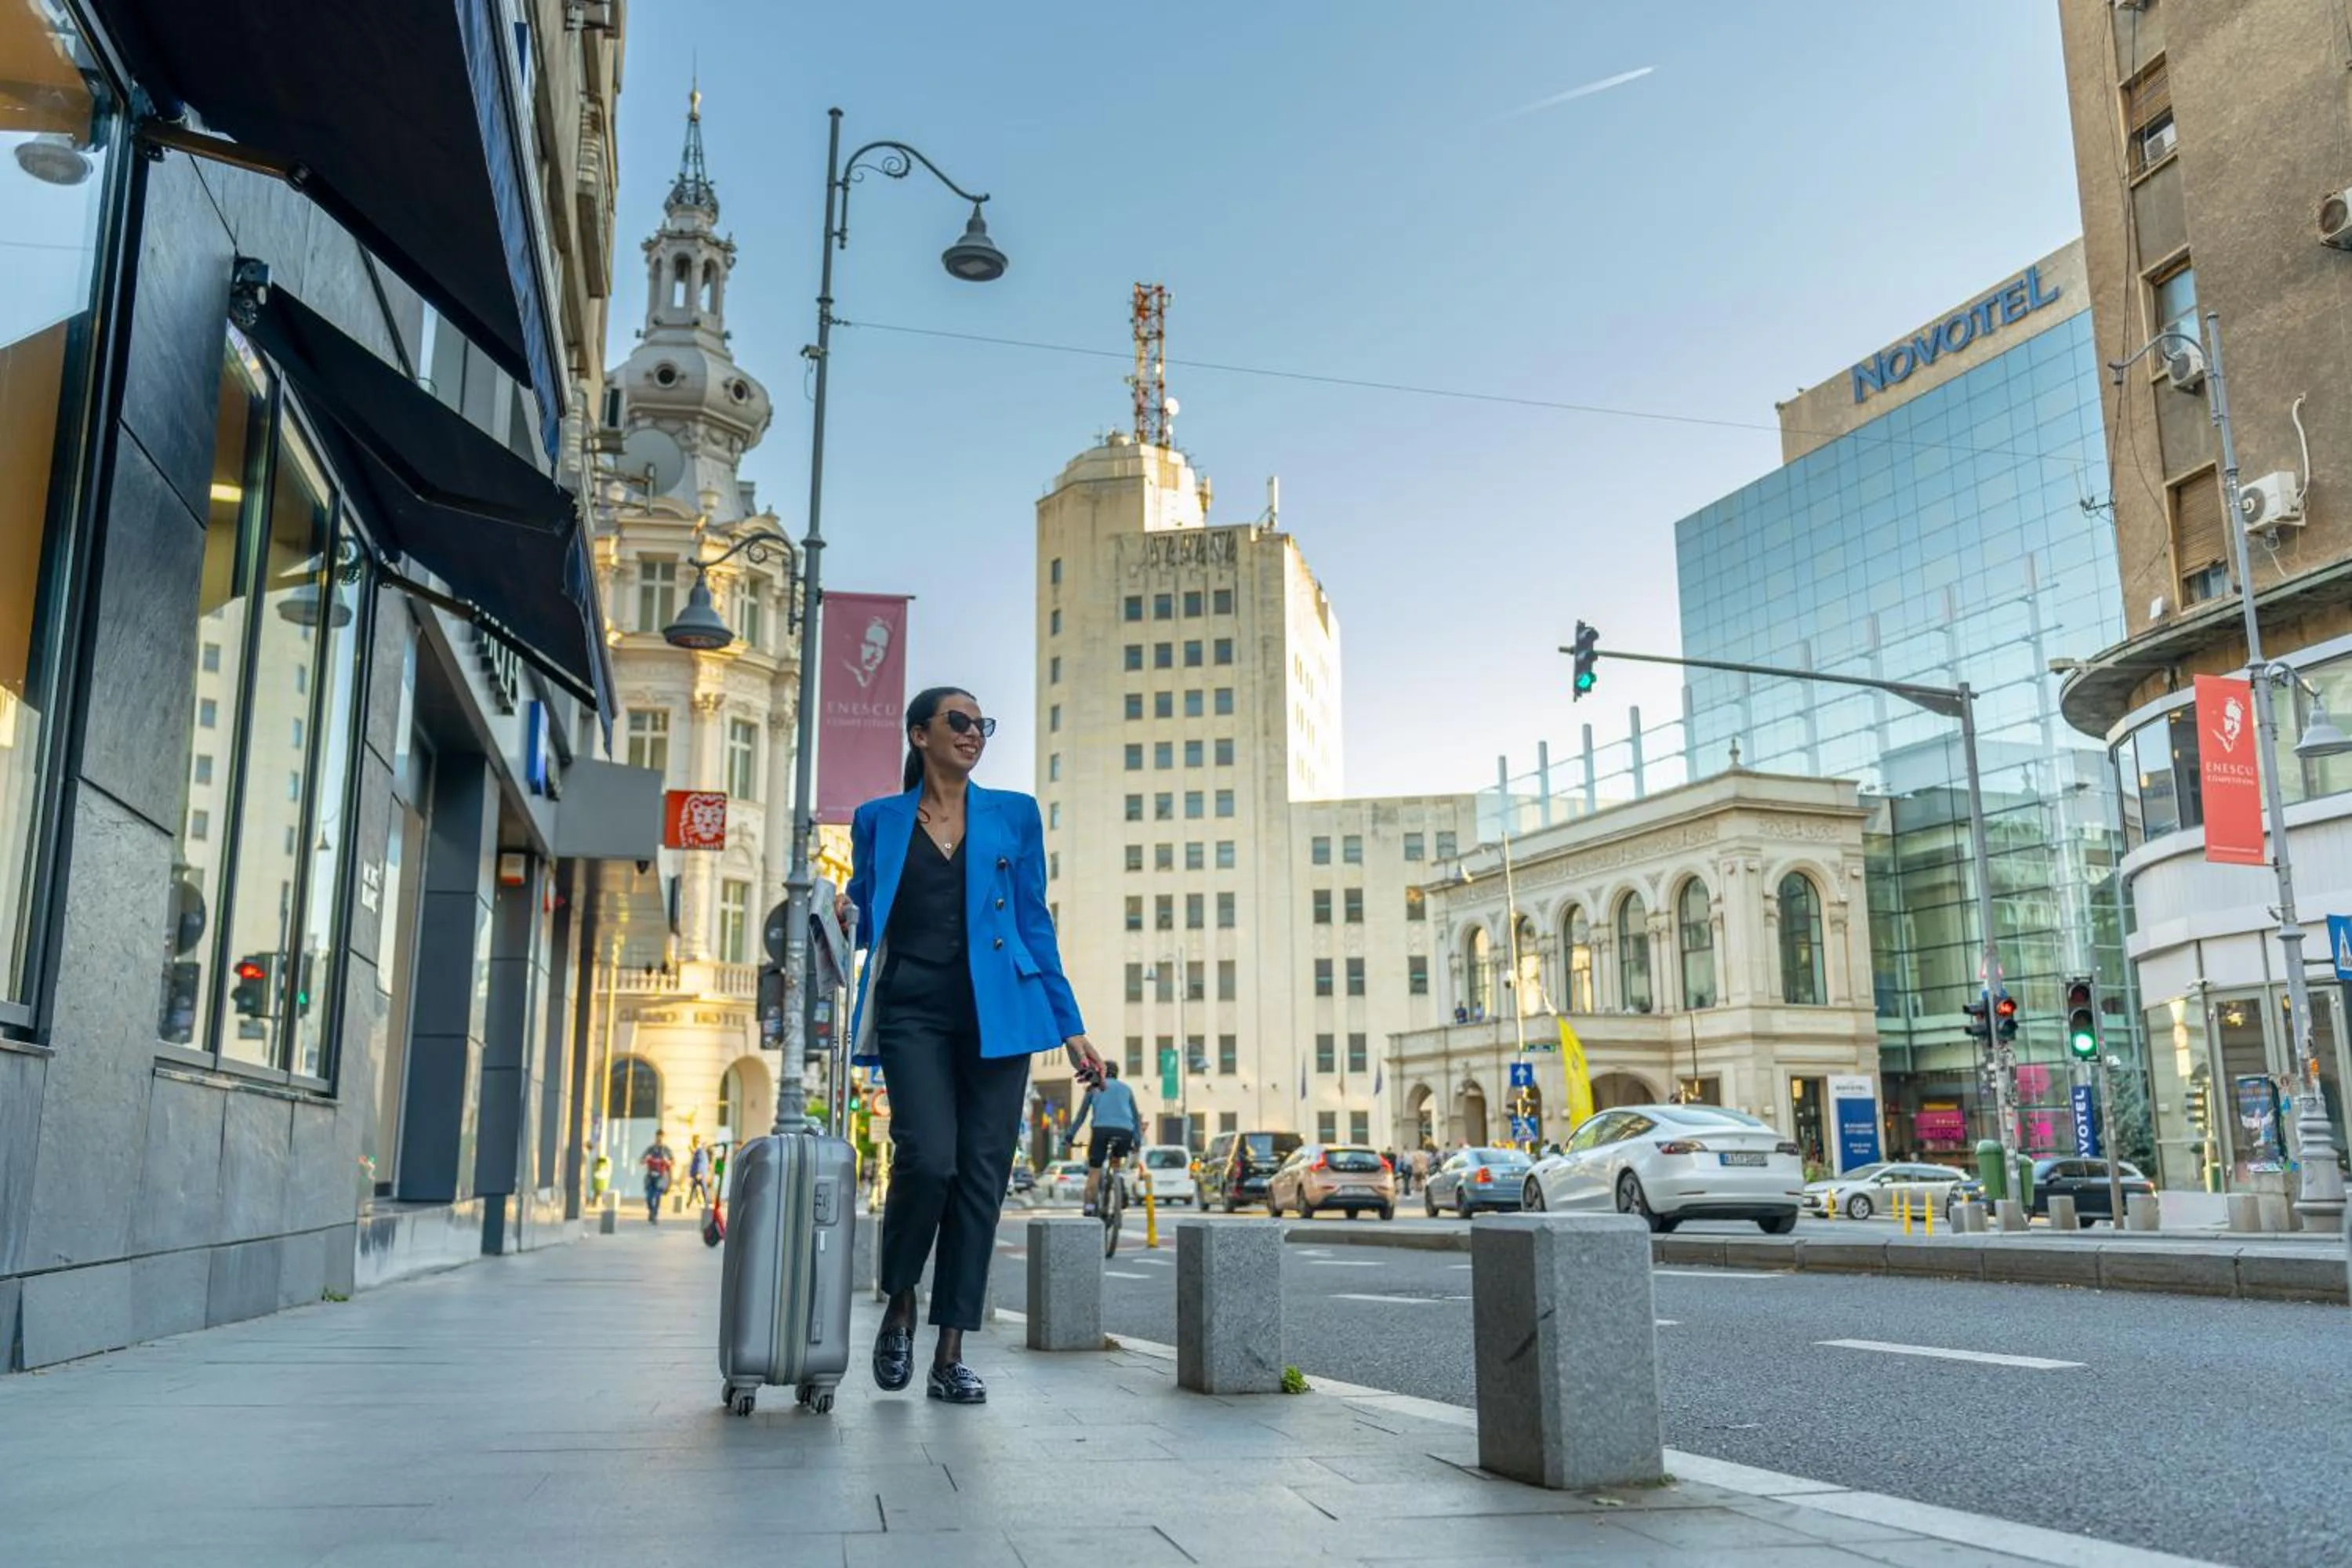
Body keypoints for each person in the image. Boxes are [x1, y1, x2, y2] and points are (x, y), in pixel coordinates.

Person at [840, 686, 1100, 1408]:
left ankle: (950, 1350)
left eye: (981, 723)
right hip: (913, 1010)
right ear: (919, 734)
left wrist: (1070, 1027)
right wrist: (843, 910)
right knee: (928, 1157)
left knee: (982, 1178)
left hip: (1003, 1014)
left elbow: (1033, 923)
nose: (973, 733)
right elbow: (865, 919)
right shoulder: (878, 820)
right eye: (958, 721)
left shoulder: (1014, 814)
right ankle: (900, 1300)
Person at [1067, 1061, 1139, 1216]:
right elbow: (1135, 1118)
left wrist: (1070, 1135)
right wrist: (1137, 1140)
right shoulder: (1126, 1089)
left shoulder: (1094, 1089)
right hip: (1124, 1132)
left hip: (1101, 1132)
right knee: (1116, 1162)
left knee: (1095, 1171)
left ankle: (1089, 1207)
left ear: (1102, 1073)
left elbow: (1081, 1116)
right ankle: (1119, 1184)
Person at [640, 1131, 674, 1225]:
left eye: (661, 1137)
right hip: (650, 1176)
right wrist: (645, 1159)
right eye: (658, 1137)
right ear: (655, 1137)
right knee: (649, 1197)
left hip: (661, 1176)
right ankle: (651, 1211)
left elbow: (673, 1162)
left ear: (664, 1138)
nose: (659, 1139)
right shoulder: (650, 1149)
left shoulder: (666, 1150)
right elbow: (641, 1160)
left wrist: (667, 1161)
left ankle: (655, 1214)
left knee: (658, 1196)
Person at [686, 1135, 713, 1208]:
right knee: (695, 1187)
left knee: (702, 1188)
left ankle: (707, 1203)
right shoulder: (701, 1151)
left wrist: (699, 1172)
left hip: (699, 1173)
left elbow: (700, 1163)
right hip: (700, 1173)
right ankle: (690, 1203)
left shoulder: (700, 1151)